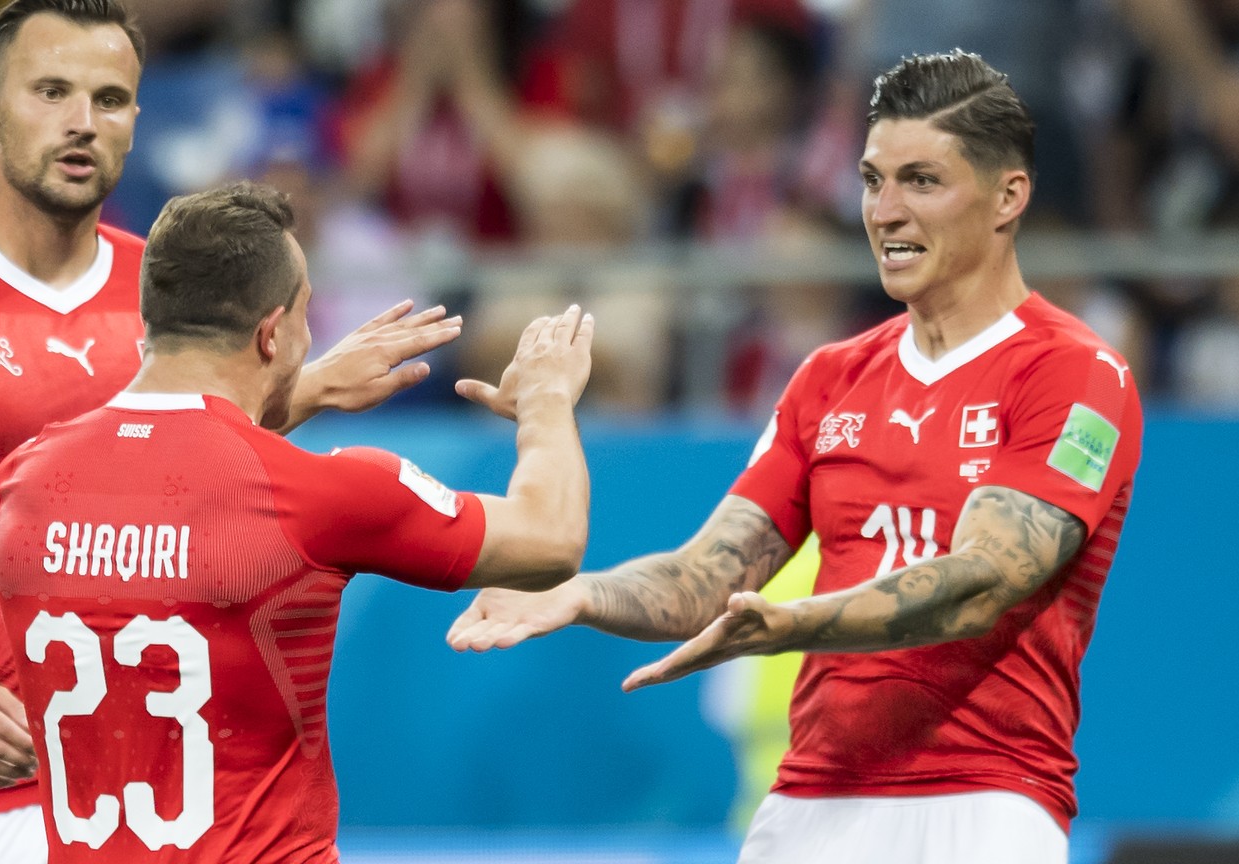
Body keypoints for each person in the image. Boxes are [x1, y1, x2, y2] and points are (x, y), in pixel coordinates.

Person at [0, 2, 461, 862]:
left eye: (110, 100)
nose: (82, 122)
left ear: (136, 119)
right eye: (51, 91)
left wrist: (310, 390)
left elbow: (188, 462)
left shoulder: (166, 288)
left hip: (161, 817)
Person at [449, 50, 1144, 864]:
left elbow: (984, 581)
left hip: (984, 800)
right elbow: (710, 576)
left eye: (921, 180)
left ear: (1008, 196)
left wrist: (794, 624)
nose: (884, 211)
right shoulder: (829, 379)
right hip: (810, 804)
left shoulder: (1076, 371)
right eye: (871, 179)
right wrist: (580, 594)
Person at [0, 180, 594, 862]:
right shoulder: (317, 492)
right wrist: (547, 397)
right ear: (273, 332)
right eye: (307, 313)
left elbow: (173, 469)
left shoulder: (28, 477)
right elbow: (550, 538)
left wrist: (305, 386)